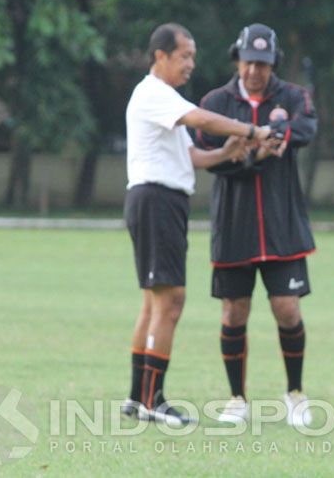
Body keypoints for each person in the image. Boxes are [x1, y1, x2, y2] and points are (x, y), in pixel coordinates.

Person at [121, 23, 274, 426]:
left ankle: (138, 396)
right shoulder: (154, 94)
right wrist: (251, 130)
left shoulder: (164, 98)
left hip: (161, 200)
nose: (191, 63)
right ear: (161, 56)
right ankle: (154, 398)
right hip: (156, 199)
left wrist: (227, 152)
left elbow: (192, 157)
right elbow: (201, 119)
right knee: (171, 301)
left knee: (154, 301)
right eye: (184, 55)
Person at [194, 23, 318, 426]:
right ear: (237, 59)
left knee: (287, 309)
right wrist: (252, 155)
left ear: (272, 64)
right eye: (248, 62)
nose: (254, 71)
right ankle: (236, 399)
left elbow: (306, 127)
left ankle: (295, 393)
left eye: (262, 64)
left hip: (283, 226)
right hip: (234, 226)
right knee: (234, 313)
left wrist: (274, 134)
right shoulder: (215, 102)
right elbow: (208, 153)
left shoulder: (293, 95)